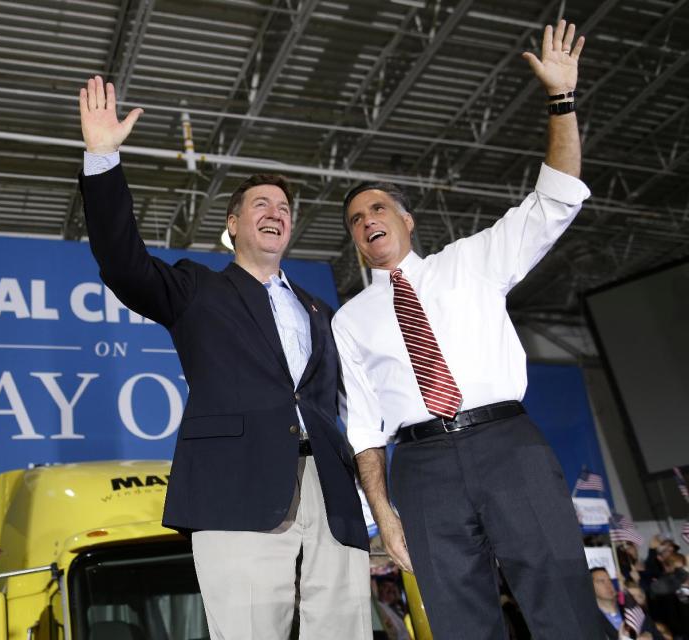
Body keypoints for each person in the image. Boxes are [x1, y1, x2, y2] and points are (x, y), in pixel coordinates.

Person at [332, 20, 604, 638]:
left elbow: (555, 199)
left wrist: (561, 100)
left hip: (507, 444)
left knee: (564, 604)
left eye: (377, 207)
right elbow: (363, 426)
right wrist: (383, 514)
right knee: (459, 624)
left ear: (406, 218)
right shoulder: (350, 320)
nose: (367, 220)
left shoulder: (472, 261)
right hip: (420, 468)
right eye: (354, 219)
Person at [77, 75, 372, 639]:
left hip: (331, 493)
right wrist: (102, 157)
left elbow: (348, 403)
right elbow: (121, 261)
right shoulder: (197, 289)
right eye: (260, 203)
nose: (276, 211)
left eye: (284, 206)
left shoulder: (321, 310)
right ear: (232, 225)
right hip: (237, 489)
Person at [592, 568, 661, 640]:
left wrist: (649, 635)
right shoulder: (591, 621)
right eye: (601, 581)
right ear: (590, 586)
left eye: (609, 580)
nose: (608, 585)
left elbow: (658, 636)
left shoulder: (634, 609)